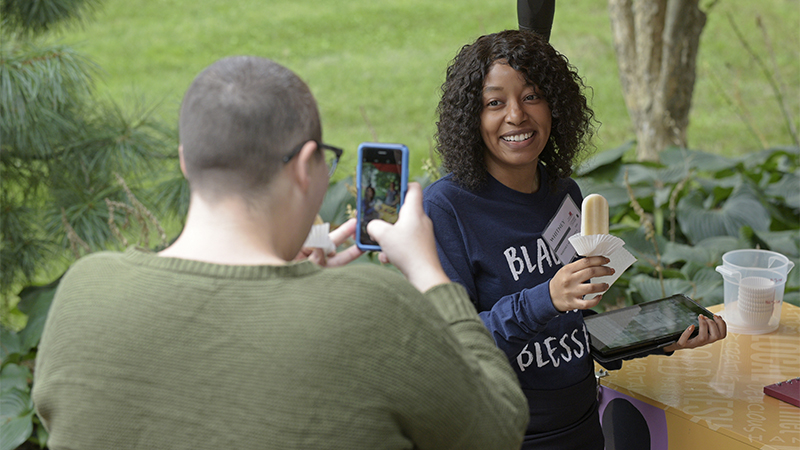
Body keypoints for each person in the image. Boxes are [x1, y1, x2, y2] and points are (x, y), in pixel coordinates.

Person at [32, 56, 529, 450]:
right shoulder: (373, 308)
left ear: (187, 161)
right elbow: (498, 428)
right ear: (305, 166)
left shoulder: (83, 290)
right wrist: (429, 273)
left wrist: (286, 276)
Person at [422, 30, 727, 449]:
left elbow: (576, 325)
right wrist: (545, 297)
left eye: (532, 96)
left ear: (556, 107)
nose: (516, 115)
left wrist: (657, 337)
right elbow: (453, 347)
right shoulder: (446, 208)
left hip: (581, 424)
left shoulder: (565, 194)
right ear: (471, 118)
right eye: (495, 102)